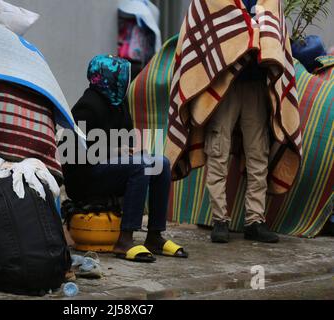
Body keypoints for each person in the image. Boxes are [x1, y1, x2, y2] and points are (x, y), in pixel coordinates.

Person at [165, 0, 302, 244]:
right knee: (218, 149)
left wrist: (258, 32)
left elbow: (276, 33)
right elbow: (203, 28)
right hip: (222, 86)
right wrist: (252, 30)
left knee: (258, 152)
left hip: (256, 85)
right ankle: (220, 220)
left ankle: (255, 221)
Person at [62, 55, 187, 262]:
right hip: (84, 179)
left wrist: (131, 152)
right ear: (107, 78)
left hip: (108, 169)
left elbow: (128, 145)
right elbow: (76, 156)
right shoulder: (86, 107)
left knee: (161, 164)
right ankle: (125, 240)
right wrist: (116, 152)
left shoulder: (117, 104)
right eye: (121, 76)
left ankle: (155, 236)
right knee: (140, 166)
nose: (126, 81)